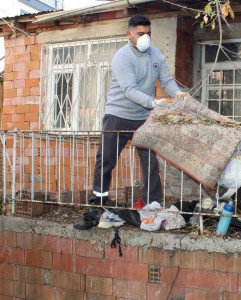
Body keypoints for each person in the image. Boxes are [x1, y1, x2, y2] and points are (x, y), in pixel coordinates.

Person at [74, 14, 186, 230]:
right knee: (106, 159)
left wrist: (178, 94)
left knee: (150, 160)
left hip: (143, 117)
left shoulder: (156, 55)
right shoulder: (122, 57)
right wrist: (153, 103)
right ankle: (99, 205)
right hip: (118, 114)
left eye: (149, 34)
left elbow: (167, 80)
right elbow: (129, 90)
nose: (145, 38)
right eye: (140, 34)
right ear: (129, 35)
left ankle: (151, 204)